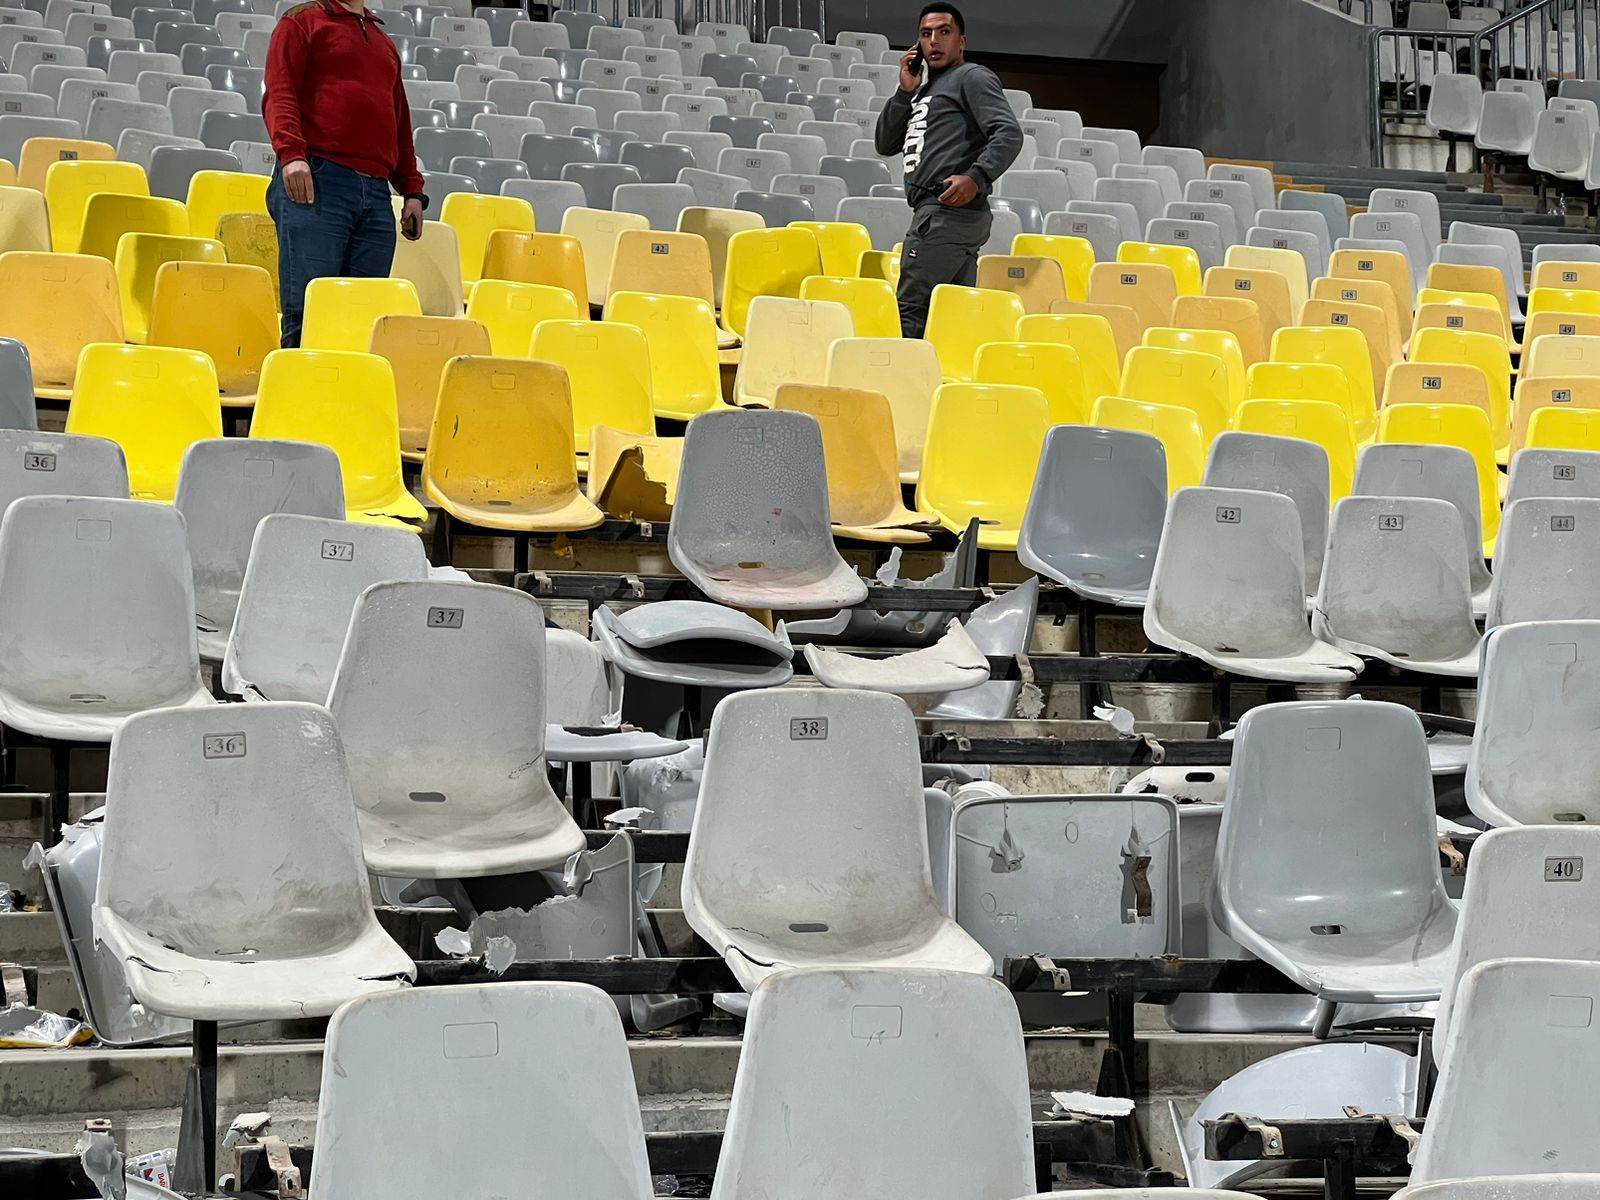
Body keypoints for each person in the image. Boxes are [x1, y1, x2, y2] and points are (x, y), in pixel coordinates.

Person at [263, 0, 426, 348]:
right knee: (308, 314)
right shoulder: (301, 22)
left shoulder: (384, 43)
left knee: (363, 320)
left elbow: (399, 121)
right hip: (319, 181)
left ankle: (344, 400)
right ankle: (298, 399)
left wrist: (412, 189)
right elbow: (280, 92)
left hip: (377, 194)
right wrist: (292, 155)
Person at [874, 2, 1023, 339]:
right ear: (917, 45)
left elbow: (1008, 132)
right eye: (926, 34)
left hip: (945, 214)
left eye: (944, 32)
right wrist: (904, 90)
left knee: (909, 311)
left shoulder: (971, 76)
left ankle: (902, 387)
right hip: (943, 216)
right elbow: (885, 143)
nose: (935, 40)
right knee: (948, 319)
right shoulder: (923, 90)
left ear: (962, 41)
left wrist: (977, 176)